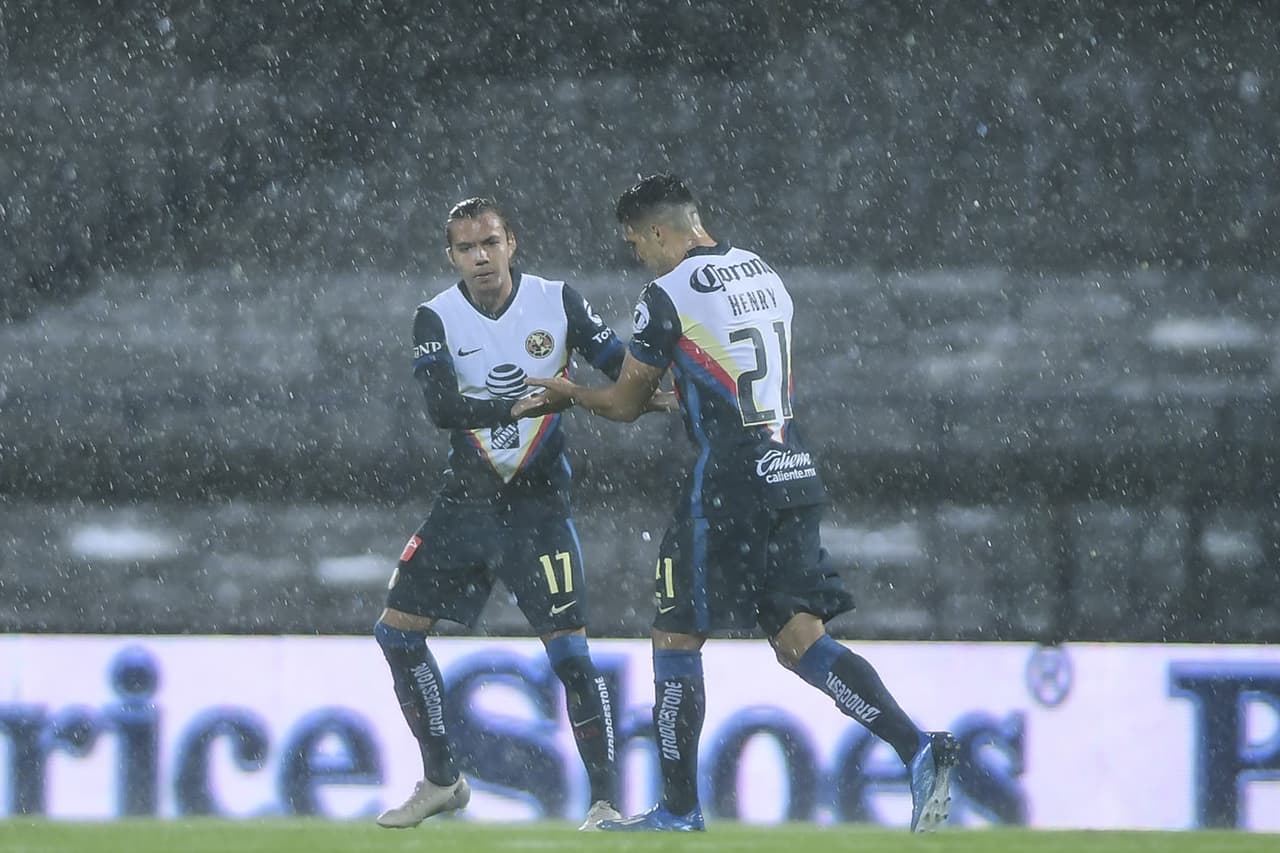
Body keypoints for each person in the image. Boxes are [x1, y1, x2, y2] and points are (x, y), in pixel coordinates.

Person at [513, 174, 959, 833]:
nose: (640, 256)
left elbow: (627, 403)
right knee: (799, 635)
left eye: (637, 244)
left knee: (674, 631)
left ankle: (678, 809)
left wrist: (568, 393)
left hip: (729, 477)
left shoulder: (665, 293)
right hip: (793, 463)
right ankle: (916, 746)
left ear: (659, 232)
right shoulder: (762, 270)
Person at [375, 197, 659, 831]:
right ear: (451, 257)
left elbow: (620, 368)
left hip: (537, 510)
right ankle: (443, 779)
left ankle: (606, 804)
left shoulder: (558, 301)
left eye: (491, 243)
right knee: (396, 633)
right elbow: (443, 410)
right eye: (467, 248)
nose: (481, 257)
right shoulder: (435, 317)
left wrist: (662, 391)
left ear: (512, 244)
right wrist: (516, 410)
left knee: (572, 658)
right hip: (466, 505)